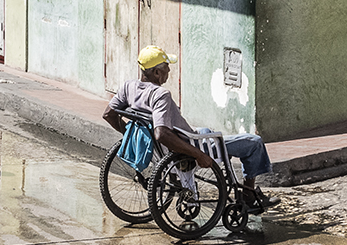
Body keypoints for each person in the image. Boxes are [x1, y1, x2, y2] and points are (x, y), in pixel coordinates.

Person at [103, 45, 278, 211]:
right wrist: (199, 155)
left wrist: (133, 135)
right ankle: (249, 196)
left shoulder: (129, 87)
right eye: (166, 67)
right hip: (192, 146)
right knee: (254, 142)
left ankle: (243, 188)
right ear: (156, 72)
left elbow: (109, 114)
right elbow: (161, 133)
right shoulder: (160, 95)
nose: (169, 71)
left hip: (184, 139)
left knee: (205, 131)